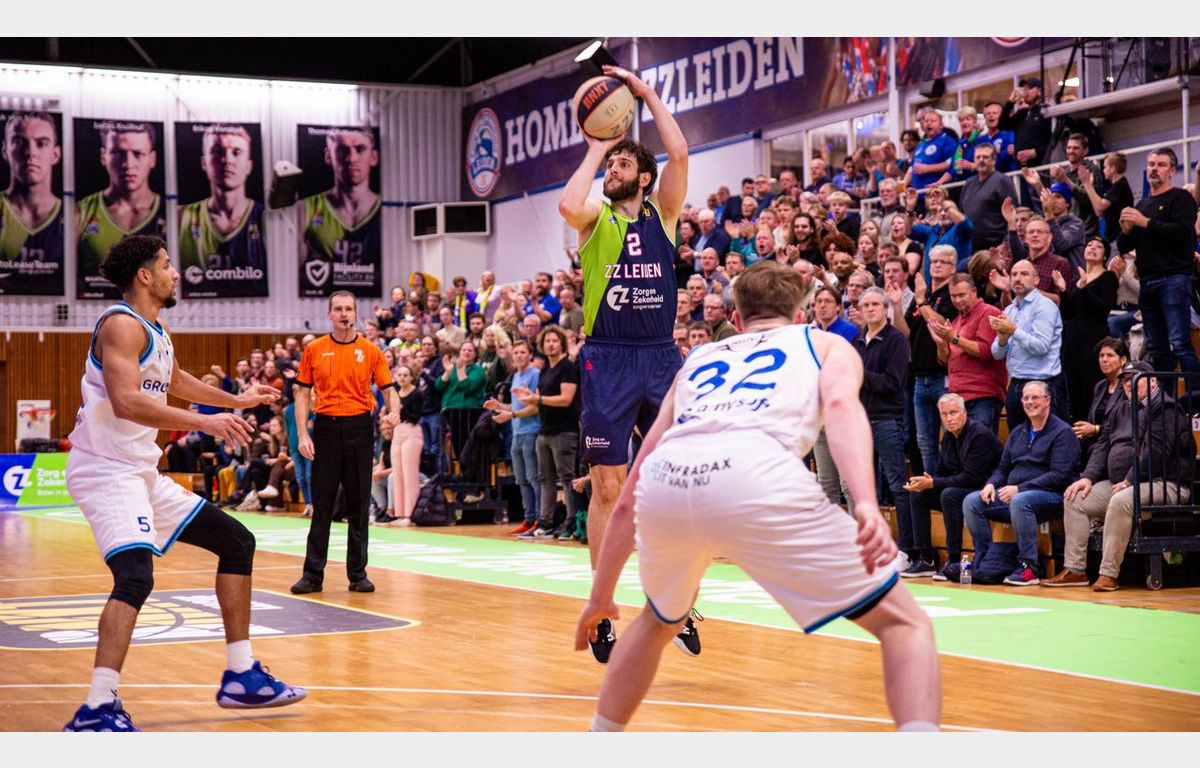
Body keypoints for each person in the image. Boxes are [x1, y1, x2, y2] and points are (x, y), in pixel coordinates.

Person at [573, 261, 941, 732]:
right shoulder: (825, 343)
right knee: (905, 624)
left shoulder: (699, 359)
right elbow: (842, 406)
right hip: (754, 469)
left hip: (669, 479)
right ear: (801, 314)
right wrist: (866, 502)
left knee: (656, 622)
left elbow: (629, 494)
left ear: (738, 318)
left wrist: (600, 596)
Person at [63, 235, 304, 731]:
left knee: (237, 542)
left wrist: (236, 401)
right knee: (135, 577)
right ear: (145, 275)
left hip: (139, 471)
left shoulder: (156, 329)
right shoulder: (120, 325)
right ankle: (97, 707)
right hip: (105, 469)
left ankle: (241, 676)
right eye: (167, 265)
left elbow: (174, 380)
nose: (176, 274)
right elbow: (127, 401)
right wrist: (205, 422)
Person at [558, 64, 696, 662]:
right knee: (608, 487)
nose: (613, 169)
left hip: (660, 357)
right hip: (608, 358)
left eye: (621, 164)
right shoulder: (597, 216)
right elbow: (567, 203)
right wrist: (597, 145)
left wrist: (644, 94)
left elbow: (679, 153)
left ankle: (677, 599)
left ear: (643, 177)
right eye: (609, 165)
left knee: (679, 482)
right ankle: (603, 605)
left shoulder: (662, 214)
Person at [1048, 362, 1195, 591]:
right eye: (1125, 380)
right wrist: (1088, 477)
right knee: (1074, 498)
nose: (1129, 384)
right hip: (1123, 482)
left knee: (1121, 501)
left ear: (1153, 381)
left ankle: (1108, 574)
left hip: (1165, 482)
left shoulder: (1165, 409)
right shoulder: (1121, 409)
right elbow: (1103, 445)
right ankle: (1075, 570)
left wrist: (1129, 481)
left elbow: (1154, 454)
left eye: (1134, 379)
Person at [290, 290, 400, 595]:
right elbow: (302, 393)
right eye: (338, 309)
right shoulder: (314, 349)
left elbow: (389, 390)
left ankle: (358, 573)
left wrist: (394, 412)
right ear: (329, 314)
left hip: (360, 428)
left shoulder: (371, 351)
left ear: (355, 313)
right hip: (326, 427)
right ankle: (313, 575)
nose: (343, 314)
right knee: (322, 503)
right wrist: (303, 434)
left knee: (359, 504)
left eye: (348, 309)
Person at [962, 381, 1080, 586]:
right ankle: (986, 559)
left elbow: (1059, 475)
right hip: (1016, 495)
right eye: (1026, 398)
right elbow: (1003, 468)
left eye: (1035, 397)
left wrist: (1019, 489)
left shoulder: (1063, 432)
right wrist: (991, 484)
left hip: (1051, 496)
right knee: (972, 501)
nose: (1029, 402)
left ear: (1048, 400)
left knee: (1020, 501)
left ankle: (1029, 567)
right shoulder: (1018, 432)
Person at [1116, 147, 1200, 382]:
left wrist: (1146, 222)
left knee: (1180, 342)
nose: (1154, 169)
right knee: (1156, 347)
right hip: (1148, 281)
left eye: (1161, 165)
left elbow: (1183, 234)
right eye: (1151, 164)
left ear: (1172, 171)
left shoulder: (1181, 199)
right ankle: (1166, 398)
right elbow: (1125, 245)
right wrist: (1125, 231)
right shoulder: (1141, 204)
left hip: (1174, 278)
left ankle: (1196, 395)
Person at [903, 393, 1003, 581]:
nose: (949, 418)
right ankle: (925, 559)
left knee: (949, 495)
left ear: (964, 413)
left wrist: (934, 483)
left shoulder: (979, 435)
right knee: (919, 495)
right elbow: (942, 471)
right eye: (944, 414)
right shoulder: (948, 437)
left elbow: (971, 478)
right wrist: (926, 482)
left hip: (986, 490)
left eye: (954, 412)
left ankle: (953, 560)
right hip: (963, 487)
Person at [77, 122, 166, 295]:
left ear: (152, 158)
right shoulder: (80, 213)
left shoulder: (173, 215)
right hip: (93, 305)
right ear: (104, 156)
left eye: (138, 154)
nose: (128, 164)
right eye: (118, 153)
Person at [514, 326, 580, 542]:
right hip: (544, 430)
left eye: (554, 341)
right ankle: (545, 524)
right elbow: (537, 401)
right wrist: (528, 398)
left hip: (564, 431)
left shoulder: (567, 367)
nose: (550, 344)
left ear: (561, 344)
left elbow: (566, 399)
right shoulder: (544, 370)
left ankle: (571, 524)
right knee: (546, 479)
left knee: (567, 478)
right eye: (547, 341)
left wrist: (537, 399)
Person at [990, 260, 1069, 430]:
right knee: (1018, 439)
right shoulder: (1010, 310)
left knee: (1046, 438)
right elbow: (996, 354)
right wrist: (1002, 339)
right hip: (1016, 385)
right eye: (1014, 274)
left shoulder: (1045, 307)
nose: (1018, 278)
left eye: (1024, 274)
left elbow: (1041, 347)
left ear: (1036, 280)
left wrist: (1013, 330)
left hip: (1042, 384)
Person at [179, 124, 265, 278]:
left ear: (249, 166)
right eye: (218, 152)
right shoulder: (180, 217)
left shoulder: (266, 219)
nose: (227, 160)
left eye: (236, 152)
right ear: (204, 163)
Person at [299, 126, 380, 282]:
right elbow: (292, 272)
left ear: (374, 157)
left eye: (360, 149)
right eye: (343, 150)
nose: (352, 158)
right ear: (328, 156)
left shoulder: (388, 213)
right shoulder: (305, 208)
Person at [929, 274, 1007, 433]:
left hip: (982, 396)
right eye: (953, 296)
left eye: (961, 295)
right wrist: (940, 342)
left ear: (974, 292)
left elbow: (986, 352)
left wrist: (953, 338)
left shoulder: (988, 312)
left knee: (980, 444)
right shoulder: (956, 321)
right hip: (957, 397)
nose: (957, 300)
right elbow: (945, 360)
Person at [0, 111, 64, 293]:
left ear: (56, 154)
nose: (30, 153)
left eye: (41, 143)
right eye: (19, 142)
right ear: (5, 150)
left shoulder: (76, 217)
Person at [1060, 238, 1118, 423]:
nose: (1093, 248)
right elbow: (1068, 312)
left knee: (1090, 388)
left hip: (1093, 340)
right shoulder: (1078, 279)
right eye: (1090, 245)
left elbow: (1103, 308)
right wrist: (1063, 291)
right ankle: (1076, 430)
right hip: (1073, 341)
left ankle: (1091, 429)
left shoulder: (1108, 277)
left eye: (1099, 247)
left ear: (1105, 256)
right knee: (1074, 389)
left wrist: (1085, 289)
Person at [486, 339, 541, 535]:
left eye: (522, 352)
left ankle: (540, 519)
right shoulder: (516, 376)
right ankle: (529, 518)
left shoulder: (535, 374)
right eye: (516, 352)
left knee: (534, 478)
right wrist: (499, 406)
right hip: (517, 432)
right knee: (522, 479)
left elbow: (535, 406)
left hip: (531, 431)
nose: (519, 356)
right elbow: (515, 407)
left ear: (530, 355)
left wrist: (511, 415)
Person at [1071, 337, 1129, 463]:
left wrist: (1096, 429)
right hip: (1096, 442)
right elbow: (1092, 418)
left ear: (1123, 360)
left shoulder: (1128, 386)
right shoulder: (1100, 386)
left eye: (1110, 355)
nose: (1104, 360)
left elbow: (1125, 424)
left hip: (1116, 444)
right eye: (1101, 356)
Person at [381, 364, 423, 526]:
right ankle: (400, 514)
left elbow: (415, 417)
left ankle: (411, 515)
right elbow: (391, 415)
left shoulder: (417, 394)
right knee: (397, 474)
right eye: (400, 375)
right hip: (397, 433)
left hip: (411, 431)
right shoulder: (395, 395)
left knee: (409, 474)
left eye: (406, 375)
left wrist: (401, 409)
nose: (402, 378)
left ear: (411, 377)